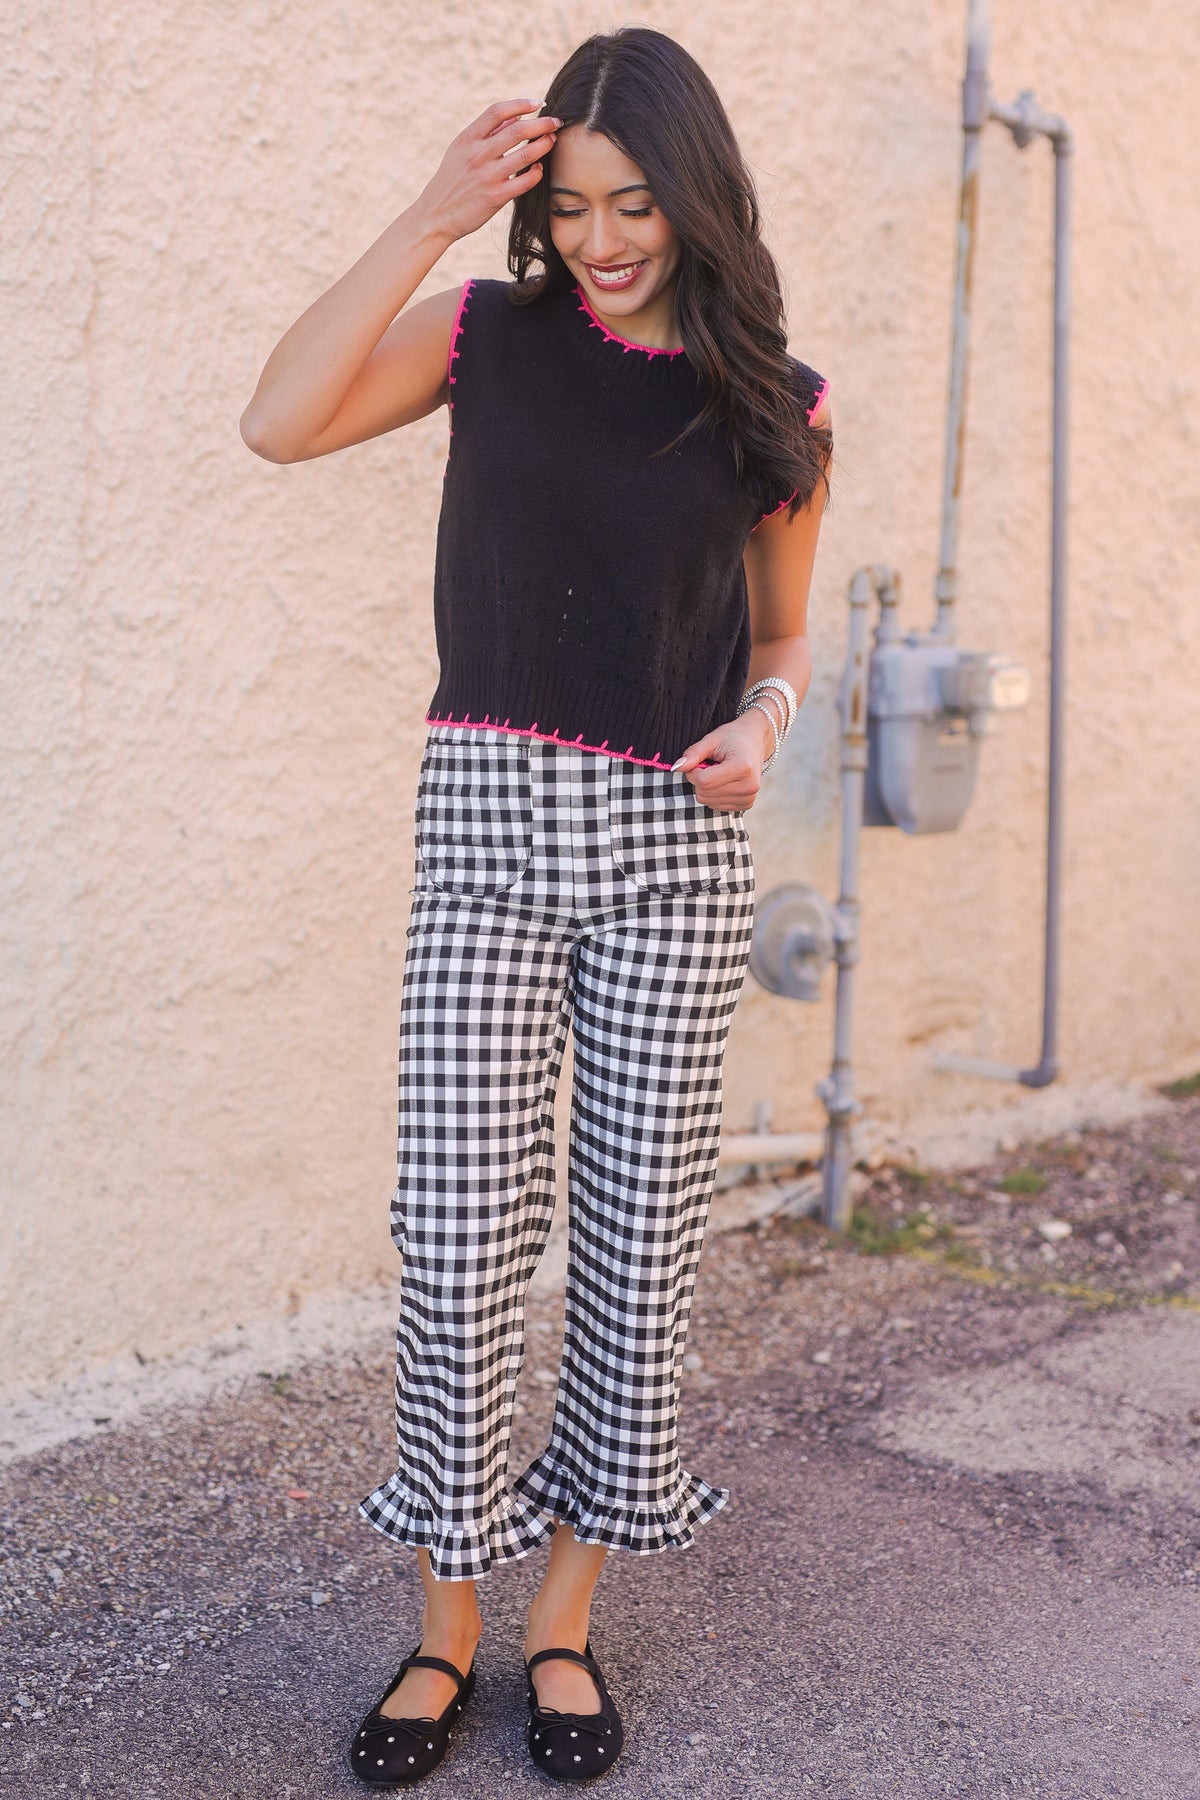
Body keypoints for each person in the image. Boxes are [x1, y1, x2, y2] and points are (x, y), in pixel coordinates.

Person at [240, 24, 832, 1787]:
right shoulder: (487, 342)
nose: (602, 238)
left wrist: (765, 722)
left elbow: (787, 633)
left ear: (697, 197)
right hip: (489, 835)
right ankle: (445, 1628)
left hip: (672, 848)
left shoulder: (774, 403)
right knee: (460, 1246)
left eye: (635, 202)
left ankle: (563, 1621)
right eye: (571, 205)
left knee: (640, 1250)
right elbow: (275, 422)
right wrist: (434, 209)